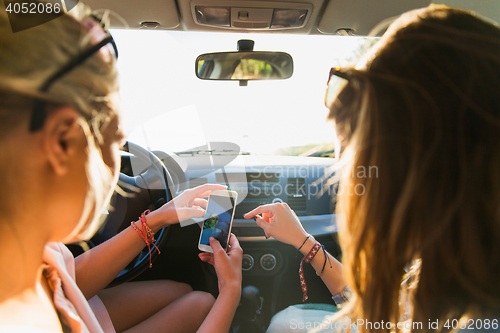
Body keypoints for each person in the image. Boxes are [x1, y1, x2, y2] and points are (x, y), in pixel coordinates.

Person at [245, 5, 500, 332]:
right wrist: (304, 242)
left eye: (363, 160)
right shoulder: (457, 262)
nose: (350, 176)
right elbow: (383, 312)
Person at [0, 2, 242, 333]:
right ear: (61, 142)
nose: (116, 171)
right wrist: (230, 292)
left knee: (193, 298)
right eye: (115, 143)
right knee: (204, 301)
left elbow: (65, 280)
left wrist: (158, 217)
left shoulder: (35, 253)